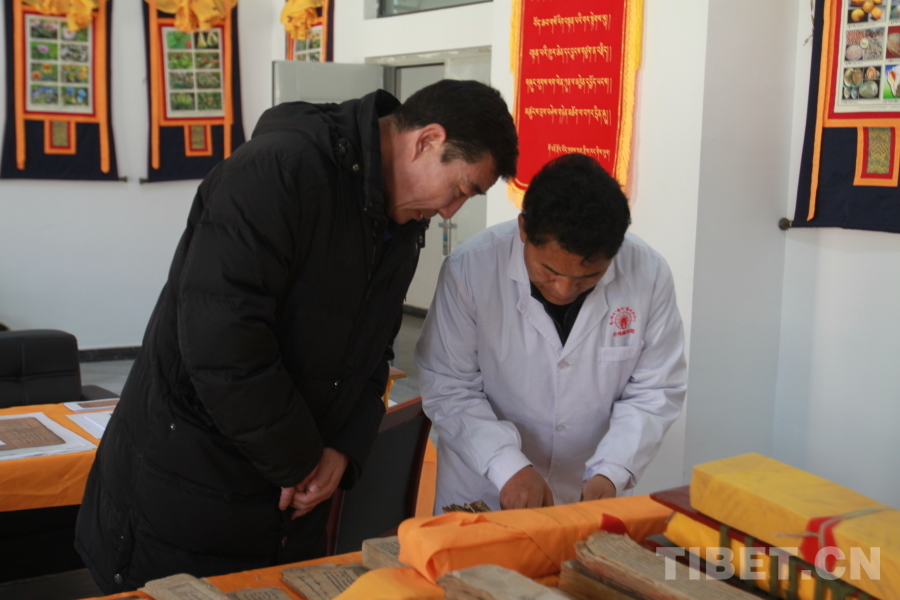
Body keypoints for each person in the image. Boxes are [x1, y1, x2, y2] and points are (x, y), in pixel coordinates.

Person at [75, 80, 518, 592]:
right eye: (459, 189)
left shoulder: (398, 225)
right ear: (427, 141)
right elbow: (223, 346)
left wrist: (343, 452)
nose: (450, 211)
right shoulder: (277, 172)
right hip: (188, 487)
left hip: (287, 502)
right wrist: (303, 461)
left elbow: (375, 351)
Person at [415, 153, 686, 512]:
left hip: (585, 490)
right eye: (548, 271)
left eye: (588, 277)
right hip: (483, 486)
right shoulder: (470, 270)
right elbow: (449, 387)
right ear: (523, 229)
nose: (563, 290)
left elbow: (655, 389)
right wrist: (506, 465)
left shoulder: (648, 274)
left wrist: (612, 470)